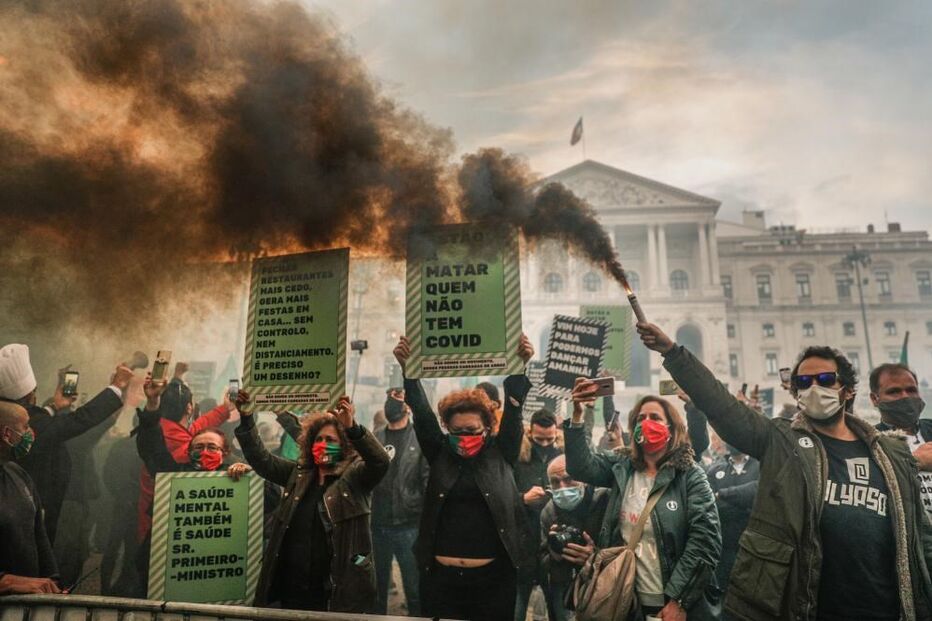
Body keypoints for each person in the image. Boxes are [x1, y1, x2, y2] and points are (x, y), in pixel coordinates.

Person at [639, 321, 932, 620]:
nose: (814, 388)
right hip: (805, 608)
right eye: (804, 383)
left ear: (847, 390)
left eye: (825, 379)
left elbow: (918, 539)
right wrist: (673, 353)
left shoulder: (890, 453)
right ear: (795, 394)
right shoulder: (780, 440)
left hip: (885, 608)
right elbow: (722, 406)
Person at [394, 334, 535, 621]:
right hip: (441, 582)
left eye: (472, 431)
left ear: (487, 427)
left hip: (493, 582)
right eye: (457, 432)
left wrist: (520, 366)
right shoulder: (439, 452)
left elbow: (515, 410)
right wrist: (408, 371)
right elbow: (422, 414)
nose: (464, 438)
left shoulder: (502, 452)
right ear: (446, 428)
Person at [564, 380, 721, 621]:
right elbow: (580, 467)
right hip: (625, 599)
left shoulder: (690, 475)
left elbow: (705, 540)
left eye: (655, 418)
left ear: (671, 428)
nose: (646, 423)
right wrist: (577, 416)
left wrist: (678, 599)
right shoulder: (622, 467)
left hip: (670, 604)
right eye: (640, 418)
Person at [235, 391, 389, 612]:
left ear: (344, 446)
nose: (323, 444)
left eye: (330, 440)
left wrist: (353, 427)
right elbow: (262, 460)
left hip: (334, 592)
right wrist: (247, 418)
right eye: (318, 439)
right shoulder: (297, 474)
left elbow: (380, 461)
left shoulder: (355, 478)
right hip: (291, 590)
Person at [0, 343, 130, 544]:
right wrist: (116, 386)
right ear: (30, 395)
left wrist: (55, 406)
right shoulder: (33, 425)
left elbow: (41, 421)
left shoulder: (16, 419)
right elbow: (79, 420)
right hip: (30, 511)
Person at [135, 377, 235, 544]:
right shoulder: (186, 447)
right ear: (189, 408)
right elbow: (194, 435)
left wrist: (225, 409)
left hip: (150, 522)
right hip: (167, 529)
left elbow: (196, 428)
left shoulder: (171, 432)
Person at [371, 388, 428, 616]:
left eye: (398, 400)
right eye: (389, 399)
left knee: (414, 589)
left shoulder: (419, 438)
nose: (392, 405)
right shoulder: (376, 436)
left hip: (408, 525)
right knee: (377, 589)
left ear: (408, 407)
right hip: (378, 526)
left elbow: (426, 480)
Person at [0, 400, 61, 595]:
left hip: (28, 603)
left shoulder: (18, 473)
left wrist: (52, 580)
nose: (31, 433)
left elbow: (39, 534)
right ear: (7, 434)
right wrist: (5, 581)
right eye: (25, 427)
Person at [538, 455, 609, 621]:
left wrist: (594, 556)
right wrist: (554, 553)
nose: (562, 487)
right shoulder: (549, 512)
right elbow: (540, 561)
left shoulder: (604, 500)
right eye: (555, 482)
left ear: (583, 478)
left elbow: (623, 550)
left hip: (603, 587)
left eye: (568, 479)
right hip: (565, 588)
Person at [514, 407, 563, 621]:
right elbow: (499, 493)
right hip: (522, 539)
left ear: (556, 434)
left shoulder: (563, 453)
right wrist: (521, 498)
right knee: (516, 608)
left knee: (558, 609)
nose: (544, 444)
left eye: (549, 440)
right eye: (539, 439)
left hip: (553, 542)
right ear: (529, 433)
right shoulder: (518, 453)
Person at [871, 362, 932, 519]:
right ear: (875, 399)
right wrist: (915, 462)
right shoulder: (871, 440)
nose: (905, 396)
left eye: (911, 390)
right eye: (894, 392)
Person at [704, 444, 759, 593]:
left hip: (754, 550)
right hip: (724, 550)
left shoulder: (761, 464)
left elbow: (759, 492)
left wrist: (723, 494)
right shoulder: (715, 469)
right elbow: (710, 504)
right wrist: (744, 503)